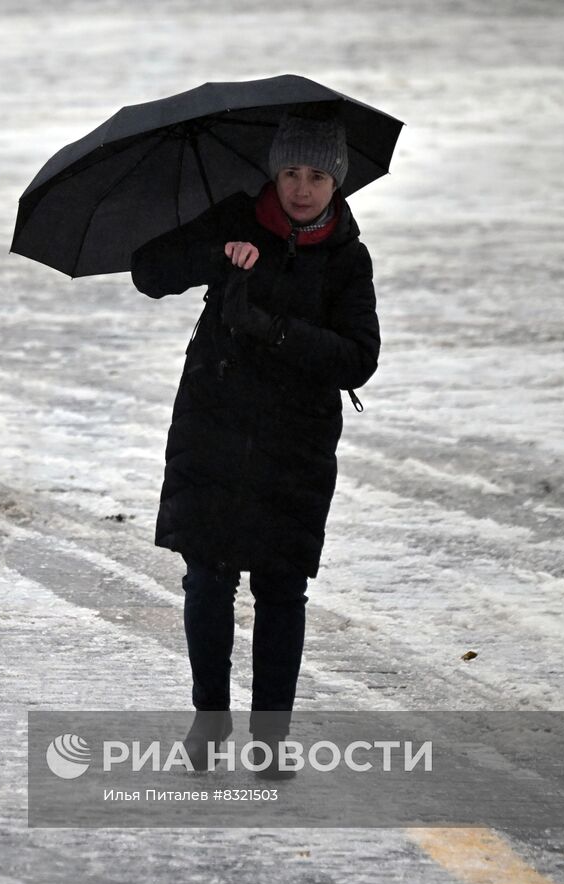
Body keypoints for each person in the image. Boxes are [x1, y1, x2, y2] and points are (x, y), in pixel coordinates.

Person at [130, 110, 380, 776]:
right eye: (292, 172)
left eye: (318, 175)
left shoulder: (348, 259)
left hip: (293, 444)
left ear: (337, 181)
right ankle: (209, 717)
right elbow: (148, 271)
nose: (302, 188)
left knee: (281, 588)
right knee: (207, 578)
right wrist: (216, 254)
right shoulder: (235, 220)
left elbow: (359, 358)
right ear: (276, 171)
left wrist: (272, 330)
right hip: (212, 428)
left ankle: (271, 738)